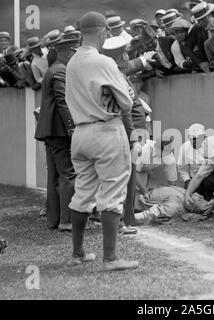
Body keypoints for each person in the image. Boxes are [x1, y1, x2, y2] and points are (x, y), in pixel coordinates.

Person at [65, 11, 140, 271]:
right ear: (101, 32)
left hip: (80, 131)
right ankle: (110, 258)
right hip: (106, 129)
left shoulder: (72, 62)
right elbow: (128, 101)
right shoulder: (103, 61)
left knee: (83, 192)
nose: (107, 34)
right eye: (106, 31)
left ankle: (78, 253)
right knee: (112, 192)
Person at [102, 35, 151, 235]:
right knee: (125, 176)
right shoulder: (115, 73)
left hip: (130, 131)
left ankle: (126, 217)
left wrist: (143, 60)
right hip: (127, 132)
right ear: (121, 56)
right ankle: (123, 220)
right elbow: (126, 110)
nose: (126, 57)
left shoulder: (115, 71)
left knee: (128, 174)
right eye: (124, 54)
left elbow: (130, 68)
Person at [34, 37, 80, 232]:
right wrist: (72, 129)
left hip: (50, 131)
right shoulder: (61, 70)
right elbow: (63, 101)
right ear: (68, 52)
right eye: (74, 52)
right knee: (69, 174)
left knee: (54, 176)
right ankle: (66, 221)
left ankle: (54, 220)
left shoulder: (53, 69)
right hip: (59, 131)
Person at [135, 137, 178, 210]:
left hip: (143, 170)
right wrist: (144, 191)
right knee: (129, 195)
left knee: (145, 196)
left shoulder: (169, 156)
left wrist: (172, 195)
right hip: (125, 167)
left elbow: (172, 181)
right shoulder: (143, 149)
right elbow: (134, 173)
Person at [184, 1, 214, 73]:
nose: (201, 22)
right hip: (206, 67)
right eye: (199, 20)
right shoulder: (196, 28)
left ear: (210, 15)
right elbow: (186, 48)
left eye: (203, 19)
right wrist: (200, 63)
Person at [177, 124, 207, 190]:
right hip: (193, 180)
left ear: (204, 137)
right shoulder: (185, 147)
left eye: (196, 139)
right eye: (191, 139)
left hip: (209, 180)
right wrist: (187, 181)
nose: (193, 142)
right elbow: (182, 168)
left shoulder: (211, 146)